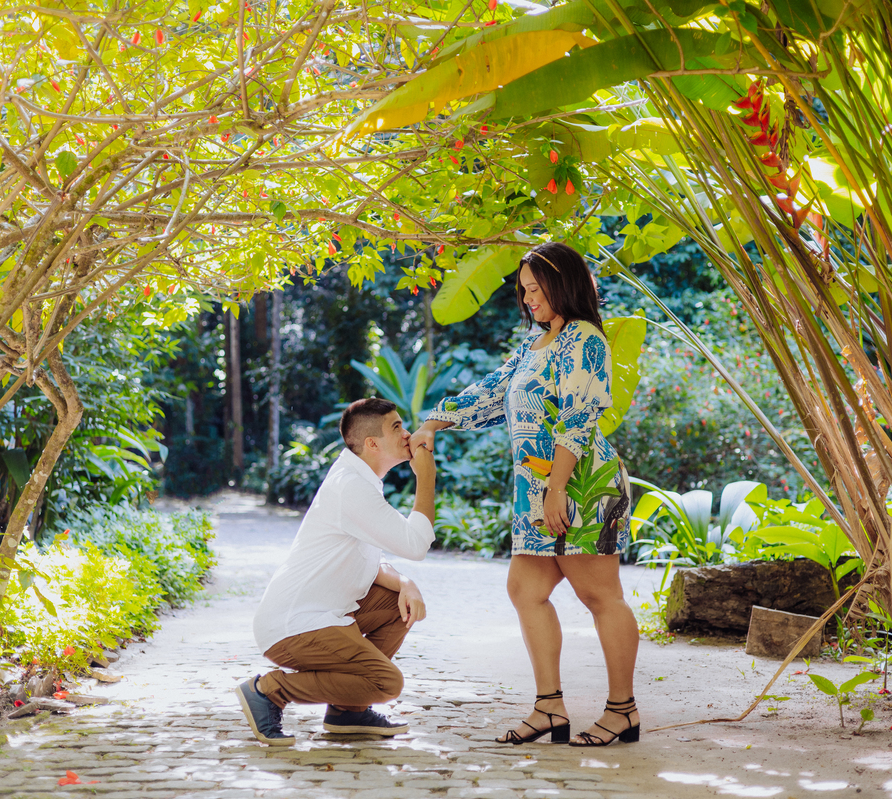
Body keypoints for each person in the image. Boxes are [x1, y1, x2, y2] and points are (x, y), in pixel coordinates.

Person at [411, 242, 637, 747]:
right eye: (524, 289)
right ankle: (549, 708)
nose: (529, 298)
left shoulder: (584, 338)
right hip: (535, 491)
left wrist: (557, 489)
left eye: (537, 289)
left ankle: (623, 710)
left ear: (563, 286)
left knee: (600, 596)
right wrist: (434, 422)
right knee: (525, 590)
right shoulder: (535, 342)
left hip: (580, 485)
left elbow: (578, 418)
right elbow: (493, 390)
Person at [237, 398, 436, 746]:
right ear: (372, 444)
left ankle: (348, 711)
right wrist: (427, 478)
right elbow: (415, 544)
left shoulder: (360, 480)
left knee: (396, 603)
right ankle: (269, 689)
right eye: (396, 427)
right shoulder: (352, 487)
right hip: (293, 625)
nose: (407, 434)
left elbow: (371, 561)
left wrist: (405, 582)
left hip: (321, 615)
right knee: (386, 683)